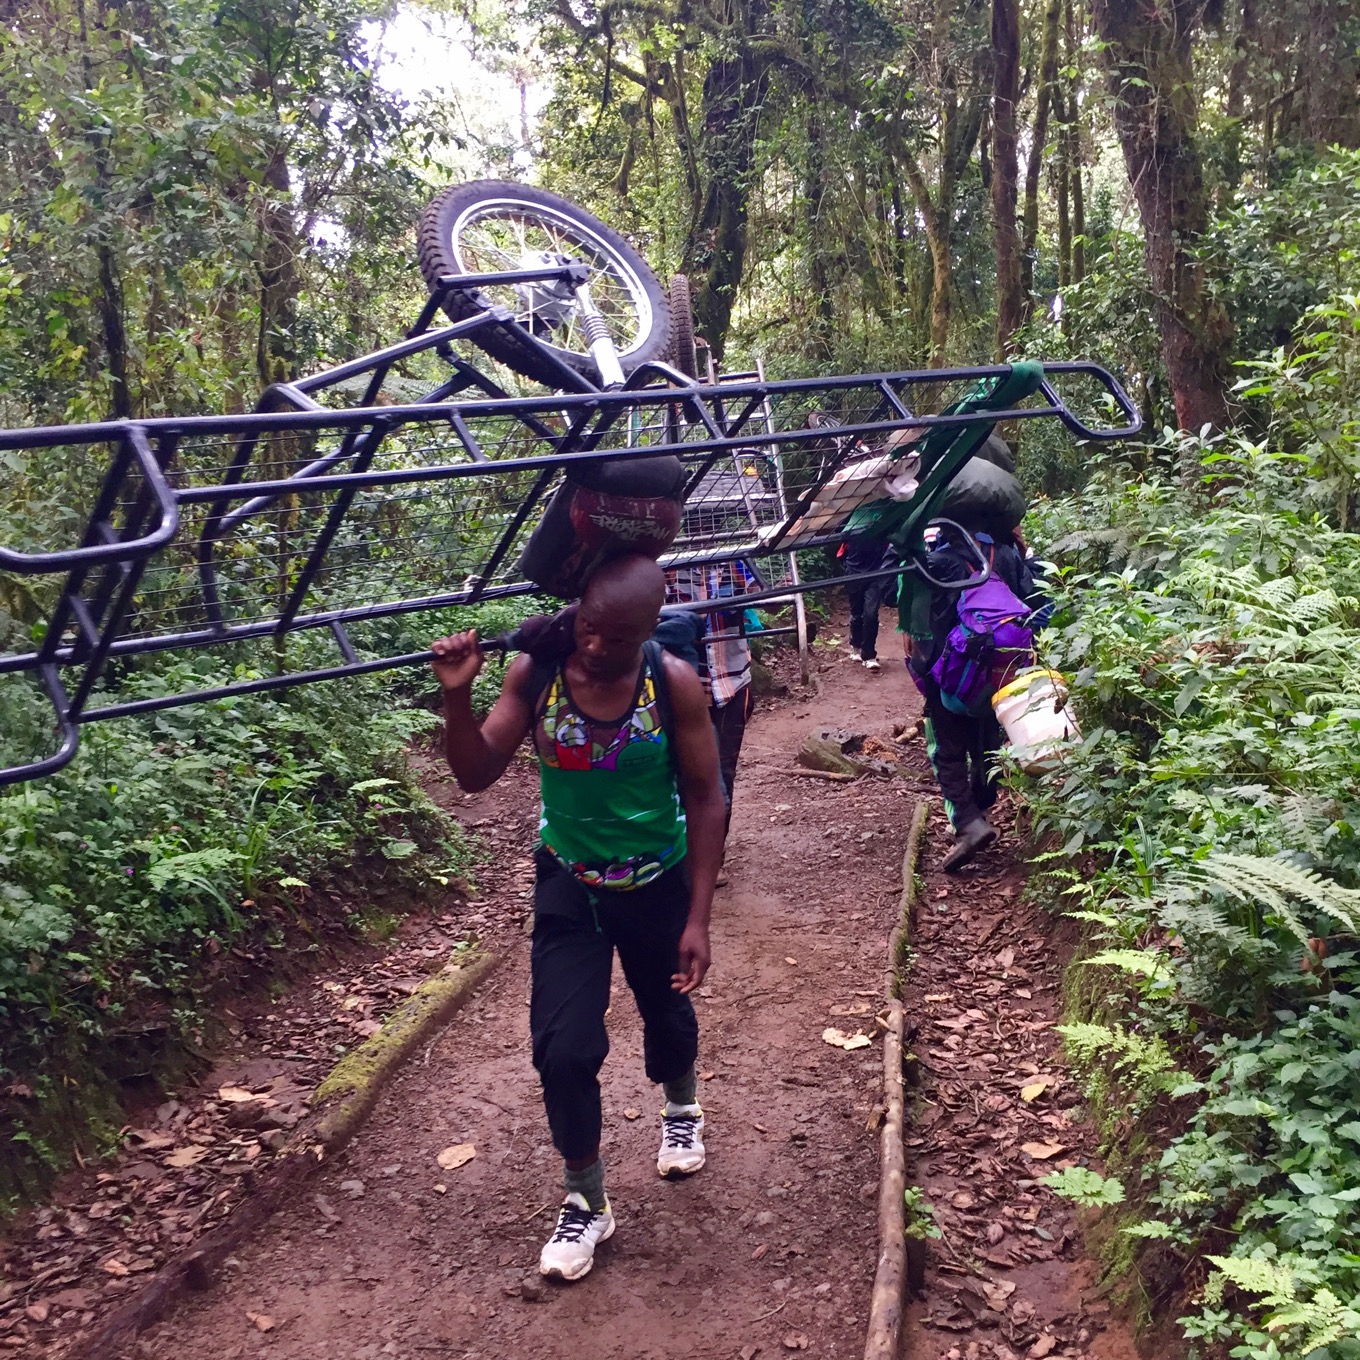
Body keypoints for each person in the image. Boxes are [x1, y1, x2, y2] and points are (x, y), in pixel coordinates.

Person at [430, 555, 726, 1283]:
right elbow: (474, 773)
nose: (596, 646)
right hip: (570, 882)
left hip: (655, 881)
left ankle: (680, 1105)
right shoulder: (537, 673)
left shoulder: (672, 683)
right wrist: (457, 701)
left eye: (618, 637)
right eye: (589, 627)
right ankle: (587, 1200)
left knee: (666, 1014)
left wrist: (699, 916)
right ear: (577, 612)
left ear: (648, 633)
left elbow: (706, 795)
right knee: (562, 1049)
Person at [907, 522, 1040, 873]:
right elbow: (1033, 599)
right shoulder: (1008, 554)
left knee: (946, 749)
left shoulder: (939, 560)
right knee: (987, 738)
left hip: (947, 672)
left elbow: (901, 598)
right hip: (999, 671)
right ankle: (982, 798)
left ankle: (968, 822)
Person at [664, 559, 759, 841]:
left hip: (731, 683)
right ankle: (684, 846)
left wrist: (769, 589)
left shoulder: (738, 563)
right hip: (681, 689)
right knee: (681, 771)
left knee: (723, 772)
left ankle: (714, 852)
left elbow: (771, 601)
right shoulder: (667, 567)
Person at [840, 534, 897, 672]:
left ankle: (869, 655)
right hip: (854, 574)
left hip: (874, 576)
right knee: (856, 614)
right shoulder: (851, 525)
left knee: (871, 615)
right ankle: (856, 646)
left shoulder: (882, 524)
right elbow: (841, 552)